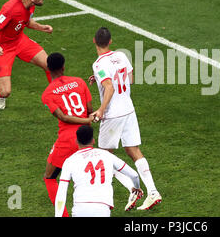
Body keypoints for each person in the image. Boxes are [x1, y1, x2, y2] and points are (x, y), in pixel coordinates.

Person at [89, 27, 162, 211]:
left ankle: (132, 188)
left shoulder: (98, 64)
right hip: (128, 109)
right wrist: (100, 80)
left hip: (112, 114)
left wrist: (100, 110)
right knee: (133, 150)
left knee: (104, 158)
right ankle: (152, 192)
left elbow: (110, 88)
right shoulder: (121, 56)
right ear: (110, 41)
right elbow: (129, 79)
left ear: (94, 41)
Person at [41, 52, 94, 217]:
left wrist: (84, 121)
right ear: (63, 66)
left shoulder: (48, 93)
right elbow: (90, 110)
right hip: (86, 138)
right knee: (86, 178)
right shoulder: (79, 81)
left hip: (67, 140)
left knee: (49, 178)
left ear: (48, 69)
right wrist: (86, 120)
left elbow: (62, 117)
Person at [0, 0, 53, 110]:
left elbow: (25, 21)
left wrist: (41, 27)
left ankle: (56, 96)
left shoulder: (30, 4)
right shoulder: (10, 9)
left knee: (49, 65)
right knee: (5, 91)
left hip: (20, 41)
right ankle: (0, 95)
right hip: (3, 47)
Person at [55, 125, 142, 217]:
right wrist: (136, 187)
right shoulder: (107, 155)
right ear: (93, 140)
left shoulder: (70, 161)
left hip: (80, 209)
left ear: (76, 141)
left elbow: (61, 193)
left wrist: (57, 215)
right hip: (102, 208)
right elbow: (134, 175)